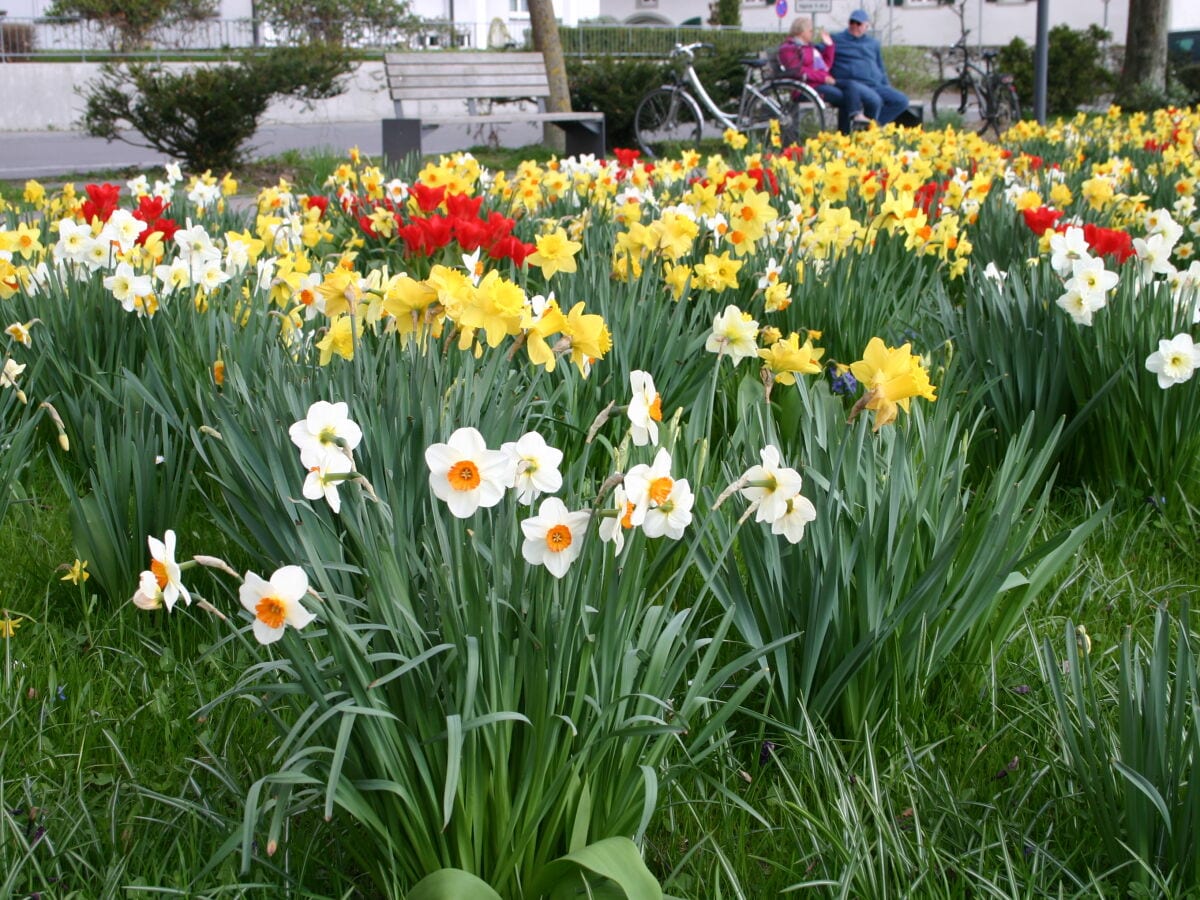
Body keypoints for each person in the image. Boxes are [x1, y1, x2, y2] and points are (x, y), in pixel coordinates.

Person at [778, 16, 871, 134]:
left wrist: (829, 46)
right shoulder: (789, 48)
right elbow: (797, 71)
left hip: (819, 82)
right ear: (801, 32)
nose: (812, 34)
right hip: (805, 87)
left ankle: (856, 115)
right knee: (842, 97)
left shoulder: (809, 47)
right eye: (810, 31)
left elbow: (825, 66)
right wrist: (823, 78)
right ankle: (845, 133)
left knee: (851, 86)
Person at [829, 9, 910, 127]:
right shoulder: (836, 39)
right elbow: (818, 54)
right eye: (852, 22)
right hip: (854, 84)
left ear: (866, 26)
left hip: (875, 84)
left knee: (901, 100)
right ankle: (865, 128)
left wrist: (886, 85)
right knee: (874, 100)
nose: (855, 26)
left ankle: (873, 125)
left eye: (859, 23)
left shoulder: (873, 43)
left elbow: (880, 66)